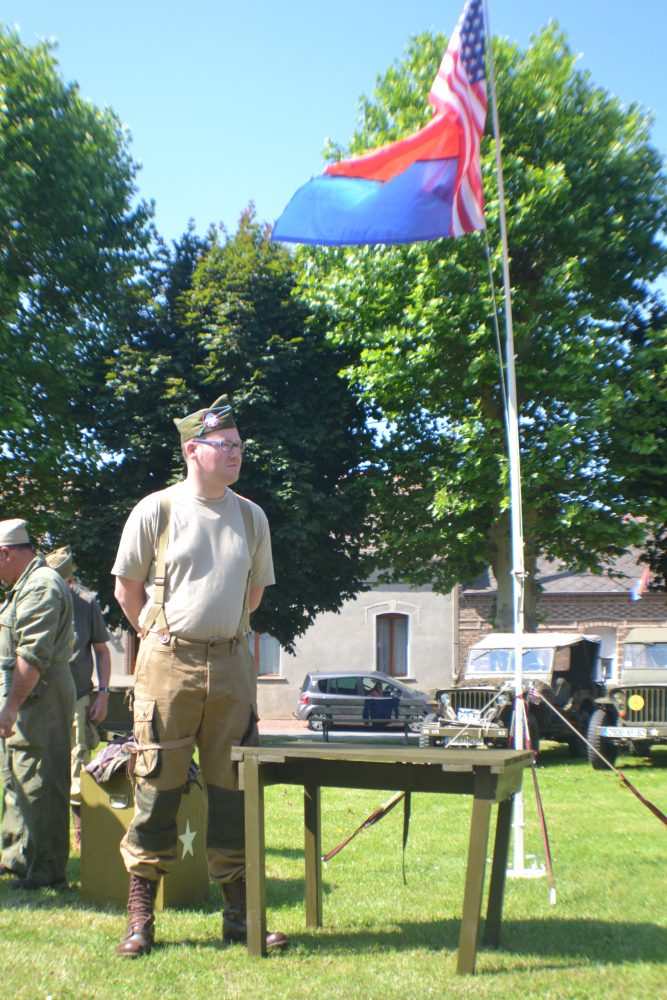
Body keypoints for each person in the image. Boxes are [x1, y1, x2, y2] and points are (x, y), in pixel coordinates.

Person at [111, 393, 287, 958]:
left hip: (233, 665)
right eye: (225, 445)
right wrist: (155, 633)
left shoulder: (252, 516)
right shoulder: (156, 510)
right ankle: (141, 918)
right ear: (193, 450)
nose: (236, 453)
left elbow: (253, 595)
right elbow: (126, 588)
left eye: (239, 445)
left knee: (234, 788)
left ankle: (240, 918)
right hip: (168, 663)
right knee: (157, 784)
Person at [0, 518, 76, 889]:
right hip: (27, 694)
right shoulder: (24, 585)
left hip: (39, 695)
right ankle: (17, 858)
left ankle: (45, 870)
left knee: (40, 779)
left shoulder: (41, 586)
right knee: (16, 775)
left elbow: (32, 654)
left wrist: (11, 706)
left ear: (6, 553)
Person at [45, 546, 111, 850]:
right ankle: (45, 831)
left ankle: (81, 834)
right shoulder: (39, 599)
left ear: (70, 581)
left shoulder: (86, 602)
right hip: (43, 696)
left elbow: (102, 651)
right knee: (43, 763)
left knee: (78, 763)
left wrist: (103, 695)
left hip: (78, 696)